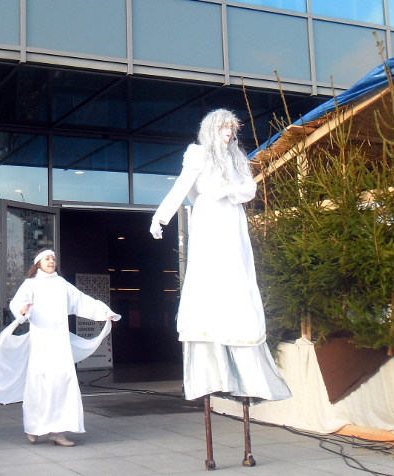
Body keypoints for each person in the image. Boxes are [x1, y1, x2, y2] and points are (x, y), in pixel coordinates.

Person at [149, 109, 291, 466]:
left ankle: (237, 323)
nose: (229, 132)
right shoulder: (198, 154)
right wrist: (161, 216)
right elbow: (183, 186)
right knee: (209, 272)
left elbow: (248, 189)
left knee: (238, 272)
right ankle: (211, 324)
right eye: (224, 127)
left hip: (232, 222)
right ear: (212, 129)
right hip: (210, 221)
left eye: (233, 127)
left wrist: (228, 189)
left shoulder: (237, 158)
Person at [0, 249, 120, 447]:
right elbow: (18, 303)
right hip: (41, 342)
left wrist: (104, 312)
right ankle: (34, 428)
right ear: (38, 263)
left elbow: (82, 301)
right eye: (47, 258)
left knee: (62, 382)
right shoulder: (31, 284)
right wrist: (21, 309)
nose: (51, 261)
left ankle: (58, 431)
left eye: (53, 258)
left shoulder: (62, 284)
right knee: (39, 385)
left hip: (60, 343)